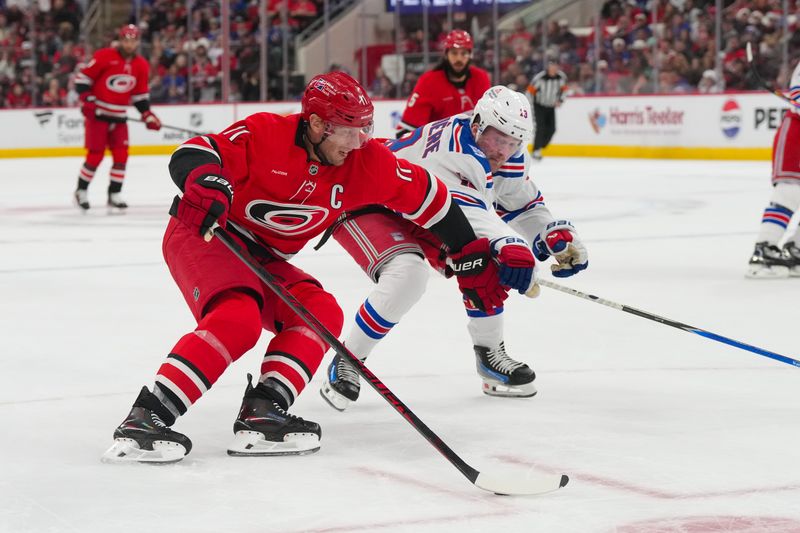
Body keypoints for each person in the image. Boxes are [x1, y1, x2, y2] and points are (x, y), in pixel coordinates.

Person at [101, 72, 534, 464]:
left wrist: (471, 254)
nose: (358, 140)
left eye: (365, 128)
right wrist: (206, 180)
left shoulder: (366, 161)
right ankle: (146, 419)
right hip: (208, 234)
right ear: (316, 123)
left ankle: (264, 412)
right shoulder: (265, 133)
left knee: (320, 312)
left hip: (264, 256)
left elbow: (434, 200)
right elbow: (194, 152)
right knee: (238, 317)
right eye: (348, 130)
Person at [319, 86, 588, 411]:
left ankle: (490, 357)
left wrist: (549, 233)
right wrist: (511, 245)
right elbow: (467, 214)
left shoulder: (499, 148)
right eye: (496, 139)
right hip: (367, 198)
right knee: (409, 273)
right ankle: (350, 356)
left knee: (480, 262)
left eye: (512, 142)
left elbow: (517, 199)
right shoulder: (454, 152)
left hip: (421, 205)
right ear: (477, 124)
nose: (502, 151)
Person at [73, 24, 162, 211]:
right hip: (98, 116)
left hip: (119, 117)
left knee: (121, 156)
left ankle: (114, 193)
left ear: (137, 42)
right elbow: (82, 80)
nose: (129, 45)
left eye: (133, 41)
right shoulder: (104, 56)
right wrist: (87, 100)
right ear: (121, 40)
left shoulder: (141, 65)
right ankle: (81, 191)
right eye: (126, 40)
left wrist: (147, 114)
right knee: (95, 156)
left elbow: (139, 96)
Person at [746, 61, 800, 278]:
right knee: (790, 192)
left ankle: (796, 249)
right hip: (797, 132)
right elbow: (797, 93)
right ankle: (765, 247)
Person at [395, 29, 491, 138]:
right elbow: (405, 131)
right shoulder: (429, 82)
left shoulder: (481, 78)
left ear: (470, 55)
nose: (459, 58)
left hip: (473, 147)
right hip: (438, 148)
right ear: (446, 54)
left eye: (463, 53)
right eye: (454, 53)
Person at [526, 59, 567, 161]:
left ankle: (540, 146)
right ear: (548, 67)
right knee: (540, 127)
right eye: (551, 66)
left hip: (551, 106)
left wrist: (560, 100)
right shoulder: (540, 78)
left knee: (552, 129)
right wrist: (530, 106)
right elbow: (530, 91)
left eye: (555, 66)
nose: (553, 68)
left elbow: (564, 90)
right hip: (539, 105)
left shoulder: (561, 77)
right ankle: (536, 150)